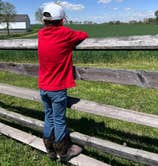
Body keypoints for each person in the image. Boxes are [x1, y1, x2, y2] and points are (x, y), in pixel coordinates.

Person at [37, 2, 88, 162]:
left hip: (43, 86)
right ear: (62, 20)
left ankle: (50, 150)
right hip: (57, 88)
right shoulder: (65, 34)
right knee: (59, 120)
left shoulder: (40, 34)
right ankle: (64, 152)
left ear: (44, 21)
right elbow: (83, 34)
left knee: (49, 117)